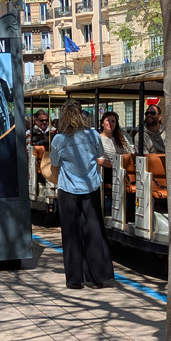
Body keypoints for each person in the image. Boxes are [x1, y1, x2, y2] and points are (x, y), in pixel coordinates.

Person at [49, 101, 113, 290]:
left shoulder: (59, 140)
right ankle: (96, 278)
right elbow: (99, 153)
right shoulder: (93, 135)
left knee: (71, 233)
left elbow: (54, 161)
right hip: (91, 187)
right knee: (93, 232)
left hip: (68, 188)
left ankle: (74, 279)